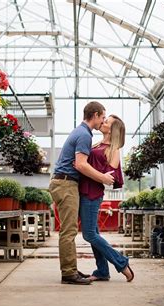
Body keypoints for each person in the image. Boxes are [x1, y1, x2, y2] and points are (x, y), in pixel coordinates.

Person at [49, 101, 115, 285]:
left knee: (71, 230)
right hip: (66, 184)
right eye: (102, 117)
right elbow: (80, 164)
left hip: (66, 183)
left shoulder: (81, 132)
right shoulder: (85, 135)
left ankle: (70, 269)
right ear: (94, 115)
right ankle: (69, 274)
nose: (103, 121)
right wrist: (103, 177)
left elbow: (79, 163)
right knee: (69, 231)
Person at [77, 115, 134, 282]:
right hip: (84, 190)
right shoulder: (97, 144)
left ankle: (121, 262)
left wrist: (99, 174)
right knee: (93, 232)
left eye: (107, 122)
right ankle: (102, 271)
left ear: (113, 130)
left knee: (89, 235)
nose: (103, 122)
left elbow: (110, 175)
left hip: (92, 193)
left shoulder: (114, 150)